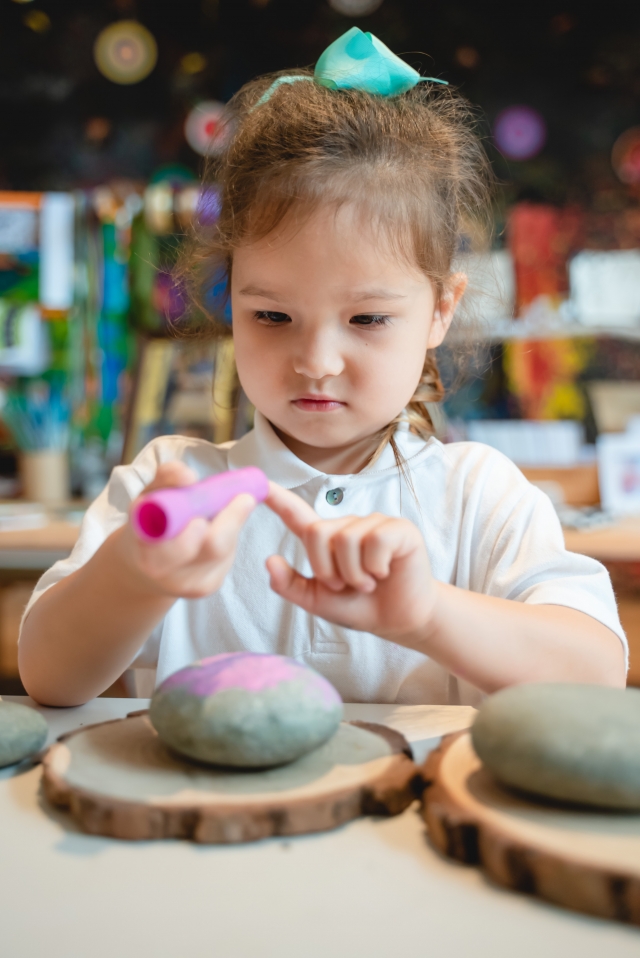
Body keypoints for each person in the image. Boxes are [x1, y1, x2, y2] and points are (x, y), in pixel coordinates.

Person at [19, 30, 626, 708]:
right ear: (231, 297)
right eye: (272, 317)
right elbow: (47, 676)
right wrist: (136, 573)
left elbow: (596, 673)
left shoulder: (478, 498)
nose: (315, 361)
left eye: (366, 320)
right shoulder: (173, 489)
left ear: (440, 310)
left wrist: (428, 614)